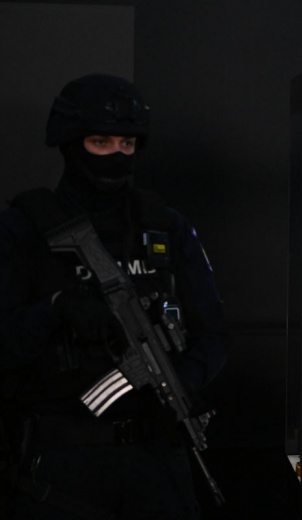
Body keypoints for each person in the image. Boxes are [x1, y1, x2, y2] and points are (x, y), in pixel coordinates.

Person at [0, 74, 230, 519]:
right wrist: (55, 309)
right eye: (100, 142)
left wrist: (183, 384)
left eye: (127, 144)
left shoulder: (165, 226)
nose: (116, 155)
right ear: (70, 144)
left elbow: (214, 335)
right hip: (63, 467)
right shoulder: (23, 229)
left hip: (156, 460)